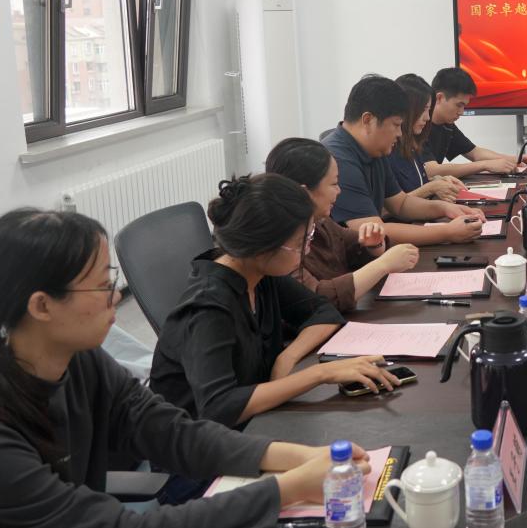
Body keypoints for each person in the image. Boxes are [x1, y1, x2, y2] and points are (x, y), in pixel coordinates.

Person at [0, 208, 364, 527]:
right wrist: (289, 487)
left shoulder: (79, 361)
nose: (115, 297)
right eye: (101, 286)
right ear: (41, 306)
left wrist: (303, 458)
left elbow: (172, 431)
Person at [150, 174, 398, 429]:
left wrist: (287, 357)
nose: (306, 251)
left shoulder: (258, 272)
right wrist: (321, 374)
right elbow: (220, 408)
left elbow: (323, 311)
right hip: (197, 440)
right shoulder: (208, 307)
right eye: (300, 244)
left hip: (253, 421)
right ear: (263, 247)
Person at [322, 74, 484, 246]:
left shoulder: (373, 148)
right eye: (396, 125)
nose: (400, 133)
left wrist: (446, 208)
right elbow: (374, 232)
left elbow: (401, 204)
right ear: (368, 120)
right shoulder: (338, 160)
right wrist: (447, 232)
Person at [266, 137, 420, 313]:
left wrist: (374, 245)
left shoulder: (320, 221)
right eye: (333, 184)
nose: (339, 190)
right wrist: (383, 264)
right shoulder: (282, 245)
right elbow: (316, 300)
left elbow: (351, 243)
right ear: (304, 192)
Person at [421, 67, 525, 178]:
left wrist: (517, 159)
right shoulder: (419, 126)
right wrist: (485, 165)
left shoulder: (447, 125)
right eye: (459, 105)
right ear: (439, 98)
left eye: (464, 106)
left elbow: (475, 153)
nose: (461, 112)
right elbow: (431, 170)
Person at [389, 73, 467, 201]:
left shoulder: (412, 145)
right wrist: (431, 188)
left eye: (429, 110)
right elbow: (389, 206)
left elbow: (416, 184)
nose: (427, 117)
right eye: (423, 109)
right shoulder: (386, 149)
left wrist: (438, 180)